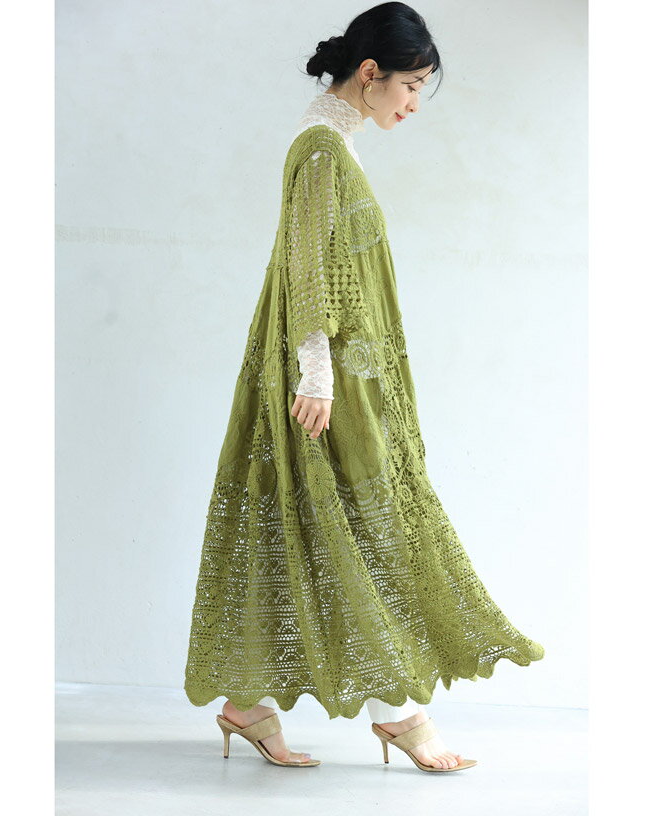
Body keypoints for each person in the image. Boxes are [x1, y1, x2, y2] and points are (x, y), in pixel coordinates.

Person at [184, 2, 545, 771]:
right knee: (361, 532)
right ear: (371, 73)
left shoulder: (329, 142)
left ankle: (248, 704)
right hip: (326, 384)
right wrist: (316, 374)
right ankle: (399, 714)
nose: (413, 104)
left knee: (312, 529)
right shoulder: (321, 149)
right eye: (410, 86)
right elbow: (308, 266)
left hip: (335, 375)